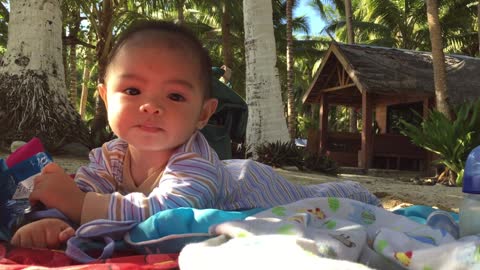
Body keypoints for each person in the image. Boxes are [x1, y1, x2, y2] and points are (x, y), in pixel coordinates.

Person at [11, 20, 381, 249]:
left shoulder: (195, 162)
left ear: (203, 114)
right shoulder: (109, 155)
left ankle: (355, 190)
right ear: (106, 97)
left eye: (174, 96)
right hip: (234, 173)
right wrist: (55, 220)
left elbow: (171, 212)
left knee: (326, 197)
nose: (151, 106)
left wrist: (77, 204)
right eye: (133, 91)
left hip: (255, 184)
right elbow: (87, 198)